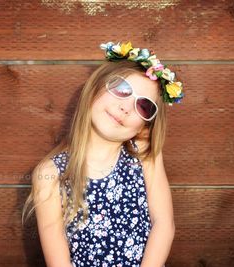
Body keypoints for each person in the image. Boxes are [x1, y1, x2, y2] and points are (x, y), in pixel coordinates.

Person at [22, 41, 184, 267]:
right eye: (122, 89)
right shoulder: (50, 174)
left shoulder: (144, 154)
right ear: (94, 88)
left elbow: (164, 224)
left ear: (143, 126)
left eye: (144, 106)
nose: (126, 107)